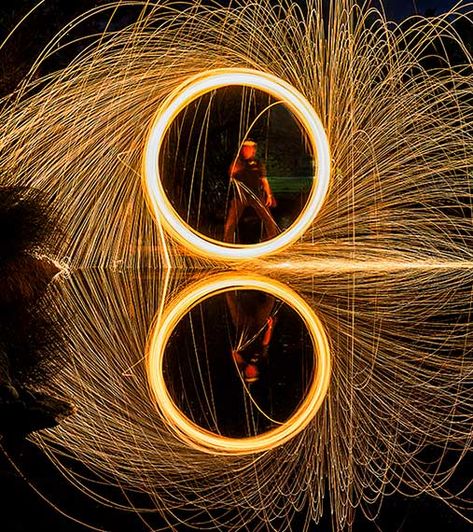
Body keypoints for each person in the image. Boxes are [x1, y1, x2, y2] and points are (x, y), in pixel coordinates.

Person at [223, 140, 279, 243]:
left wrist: (269, 195)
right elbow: (231, 173)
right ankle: (227, 242)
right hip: (239, 197)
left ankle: (273, 241)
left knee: (268, 219)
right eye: (244, 148)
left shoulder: (257, 164)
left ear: (253, 150)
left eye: (249, 148)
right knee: (230, 223)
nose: (246, 150)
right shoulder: (238, 162)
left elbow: (264, 180)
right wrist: (235, 168)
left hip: (256, 196)